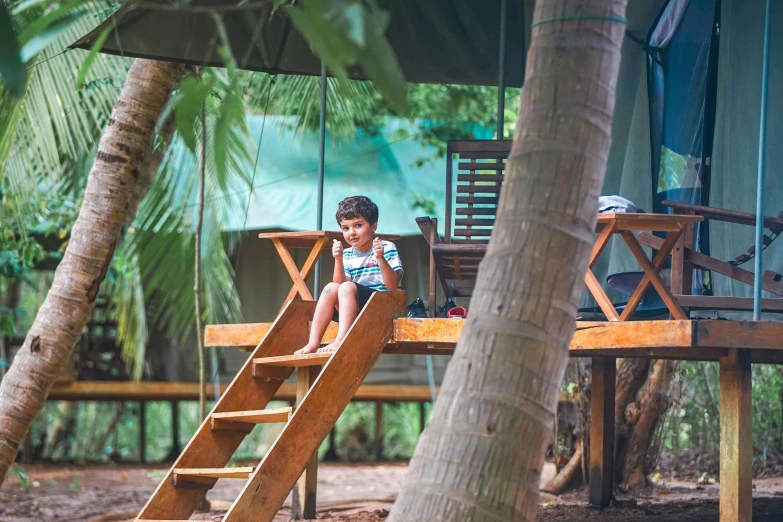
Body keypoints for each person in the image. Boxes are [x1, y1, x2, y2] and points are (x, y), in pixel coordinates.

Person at [295, 196, 403, 355]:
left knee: (346, 288)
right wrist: (338, 260)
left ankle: (341, 339)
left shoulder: (386, 247)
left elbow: (393, 286)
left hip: (380, 306)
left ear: (373, 226)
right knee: (331, 287)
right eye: (345, 228)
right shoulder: (347, 254)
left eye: (358, 226)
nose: (352, 233)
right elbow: (338, 285)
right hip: (354, 308)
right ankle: (313, 343)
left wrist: (380, 258)